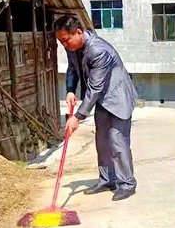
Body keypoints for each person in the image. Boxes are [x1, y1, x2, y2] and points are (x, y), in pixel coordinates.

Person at [55, 15, 138, 202]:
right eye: (61, 42)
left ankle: (127, 183)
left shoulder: (99, 50)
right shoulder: (73, 46)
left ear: (78, 32)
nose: (64, 45)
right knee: (102, 141)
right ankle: (107, 180)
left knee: (117, 140)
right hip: (102, 99)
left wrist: (77, 116)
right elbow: (72, 69)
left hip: (118, 98)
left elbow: (95, 87)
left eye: (66, 40)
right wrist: (70, 90)